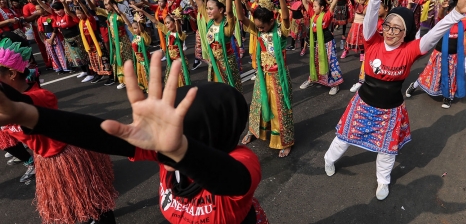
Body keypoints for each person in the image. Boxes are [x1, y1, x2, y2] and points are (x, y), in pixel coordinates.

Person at [0, 51, 269, 224]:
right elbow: (98, 134)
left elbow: (230, 180)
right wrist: (25, 114)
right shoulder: (164, 151)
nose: (169, 134)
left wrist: (179, 150)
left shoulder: (242, 161)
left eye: (180, 125)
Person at [322, 0, 466, 201]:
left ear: (406, 32)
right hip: (363, 104)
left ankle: (383, 181)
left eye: (397, 28)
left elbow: (436, 32)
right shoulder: (372, 41)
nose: (390, 31)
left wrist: (456, 13)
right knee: (342, 139)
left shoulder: (412, 50)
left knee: (387, 150)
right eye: (388, 25)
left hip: (391, 111)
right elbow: (370, 19)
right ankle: (328, 159)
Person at [0, 37, 117, 224]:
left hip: (68, 155)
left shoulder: (39, 97)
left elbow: (22, 108)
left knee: (93, 205)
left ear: (12, 74)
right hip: (46, 159)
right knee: (78, 207)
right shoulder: (9, 103)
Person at [230, 0, 295, 158]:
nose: (258, 29)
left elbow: (285, 17)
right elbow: (241, 19)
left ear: (271, 22)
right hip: (262, 74)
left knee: (280, 109)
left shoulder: (280, 32)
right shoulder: (258, 31)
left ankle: (285, 141)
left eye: (262, 27)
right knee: (257, 104)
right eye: (257, 27)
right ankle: (256, 131)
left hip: (278, 76)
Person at [185, 0, 243, 92]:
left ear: (221, 10)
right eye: (208, 9)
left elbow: (229, 12)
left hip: (227, 65)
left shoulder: (227, 26)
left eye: (211, 9)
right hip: (214, 65)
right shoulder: (209, 21)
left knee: (229, 93)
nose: (208, 11)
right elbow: (198, 0)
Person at [298, 0, 344, 95]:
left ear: (322, 8)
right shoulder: (313, 14)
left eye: (315, 6)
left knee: (331, 62)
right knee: (316, 61)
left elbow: (332, 6)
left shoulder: (326, 15)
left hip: (327, 41)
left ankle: (335, 84)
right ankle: (312, 78)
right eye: (313, 6)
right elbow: (304, 2)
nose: (313, 7)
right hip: (316, 42)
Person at [23, 0, 51, 69]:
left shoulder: (42, 3)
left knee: (53, 45)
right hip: (37, 29)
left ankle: (57, 62)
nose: (30, 0)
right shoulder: (26, 7)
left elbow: (50, 12)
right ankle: (48, 63)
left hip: (48, 27)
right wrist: (37, 14)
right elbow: (27, 19)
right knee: (42, 47)